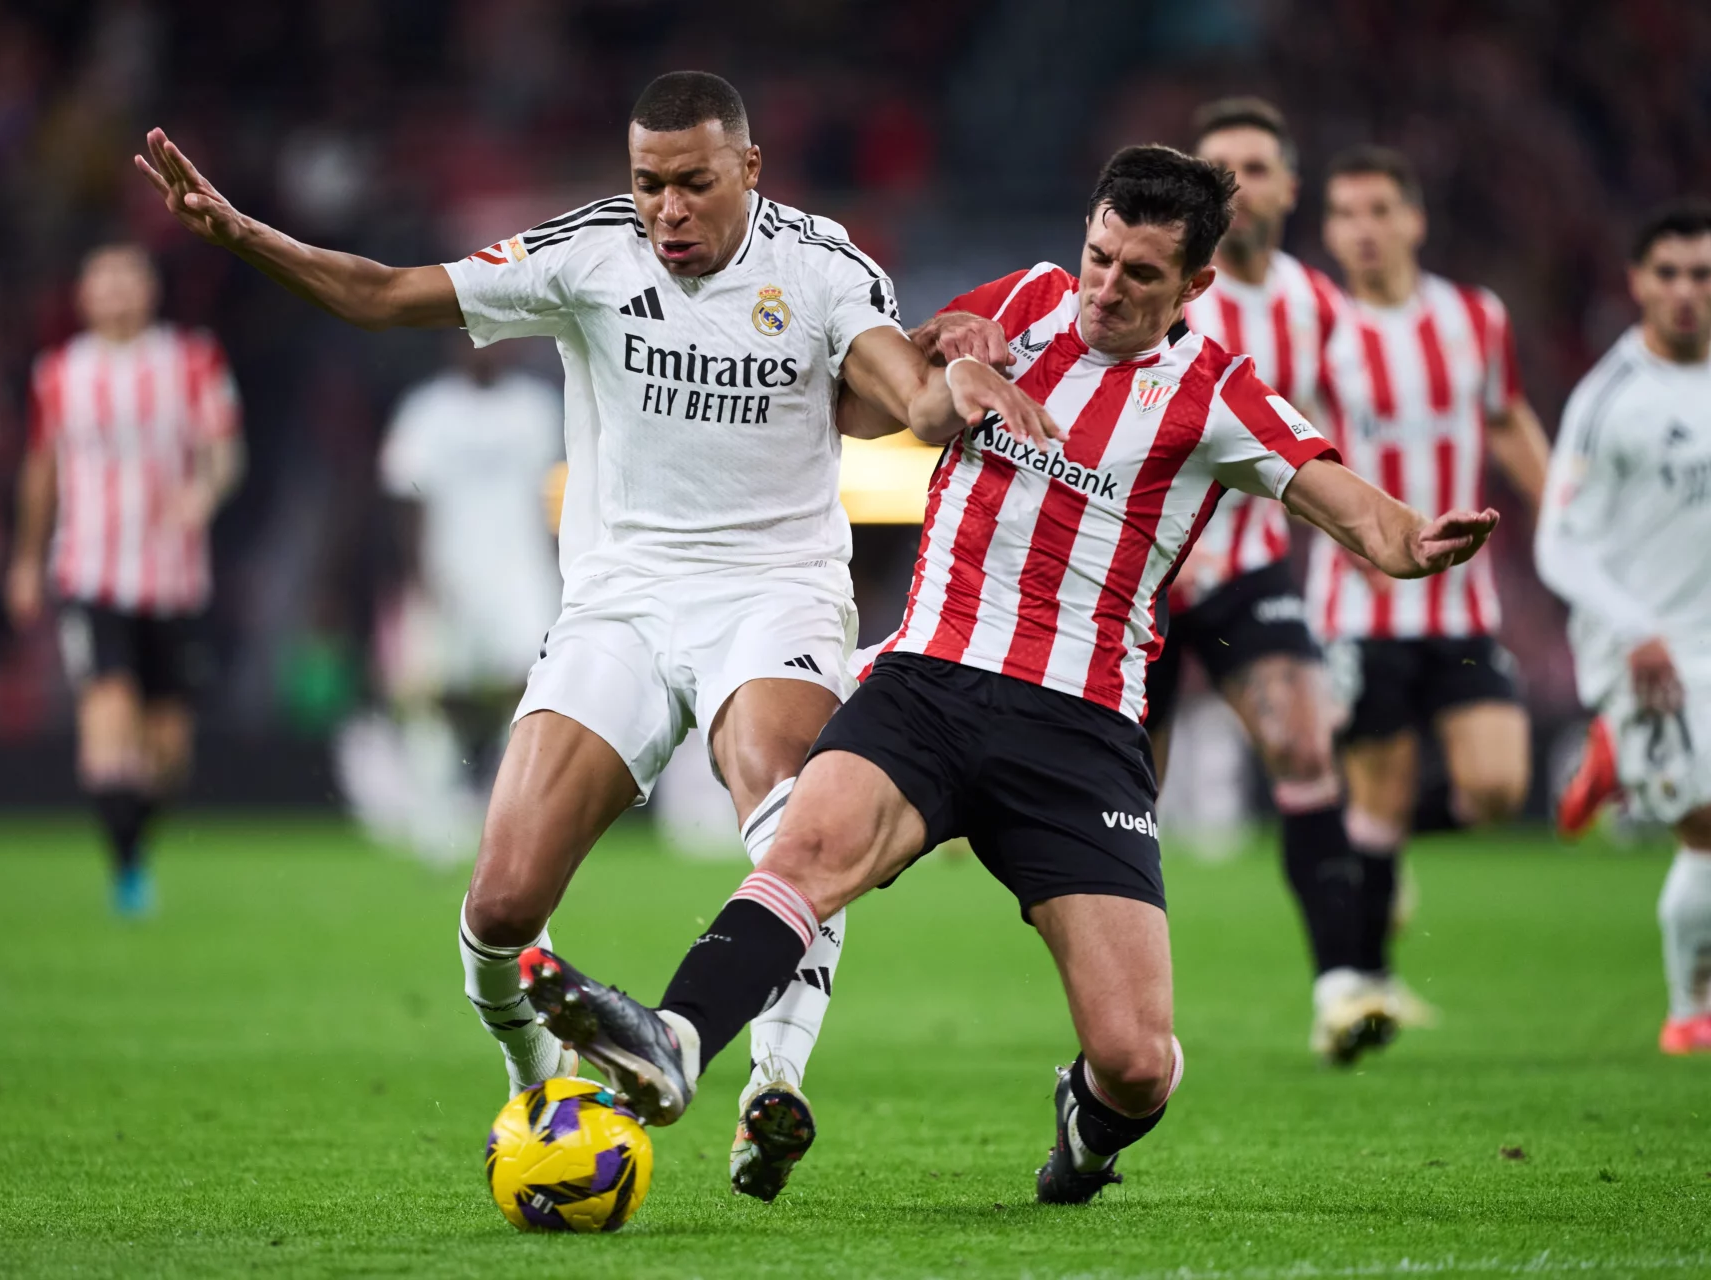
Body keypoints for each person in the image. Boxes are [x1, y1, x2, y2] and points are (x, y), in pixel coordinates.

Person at [516, 144, 1501, 1205]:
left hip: (1078, 735)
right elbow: (883, 379)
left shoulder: (1218, 392)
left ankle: (1088, 1121)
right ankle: (673, 1039)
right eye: (1100, 256)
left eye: (1140, 276)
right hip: (929, 681)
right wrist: (951, 345)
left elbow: (1348, 503)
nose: (1106, 290)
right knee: (805, 844)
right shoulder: (1030, 297)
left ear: (1196, 287)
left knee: (1135, 1058)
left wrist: (1411, 538)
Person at [135, 70, 1051, 1199]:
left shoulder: (819, 266)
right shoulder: (588, 254)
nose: (666, 209)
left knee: (787, 813)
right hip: (617, 602)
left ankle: (776, 1076)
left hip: (773, 595)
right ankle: (542, 1085)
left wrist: (956, 375)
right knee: (501, 903)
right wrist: (240, 234)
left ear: (749, 173)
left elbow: (903, 400)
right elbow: (380, 293)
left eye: (694, 184)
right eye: (648, 183)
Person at [1140, 98, 1378, 1062]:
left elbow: (1319, 439)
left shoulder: (1316, 303)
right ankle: (1127, 1018)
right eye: (1220, 167)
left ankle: (1342, 985)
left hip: (1247, 570)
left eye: (1256, 167)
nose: (1239, 184)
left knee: (1306, 749)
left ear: (1287, 187)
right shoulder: (1167, 290)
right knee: (1118, 798)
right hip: (1142, 579)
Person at [1309, 145, 1549, 1022]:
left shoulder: (1475, 318)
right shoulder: (1321, 327)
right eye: (1345, 215)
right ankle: (1364, 983)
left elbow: (1508, 417)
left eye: (1379, 211)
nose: (1363, 231)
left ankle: (1388, 860)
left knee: (1497, 787)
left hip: (1464, 601)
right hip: (1360, 601)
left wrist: (1556, 501)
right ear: (1329, 229)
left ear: (1414, 218)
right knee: (1377, 790)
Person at [6, 244, 244, 916]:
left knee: (168, 751)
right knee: (107, 714)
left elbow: (225, 451)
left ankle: (133, 845)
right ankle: (127, 873)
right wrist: (25, 560)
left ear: (150, 288)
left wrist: (203, 490)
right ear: (82, 294)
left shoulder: (194, 360)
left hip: (173, 579)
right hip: (90, 572)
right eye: (101, 277)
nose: (114, 290)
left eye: (127, 276)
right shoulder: (57, 374)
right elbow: (41, 470)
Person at [1535, 201, 1711, 1055]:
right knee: (1707, 832)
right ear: (1639, 282)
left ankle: (1614, 754)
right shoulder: (1611, 398)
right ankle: (1688, 1015)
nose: (1684, 291)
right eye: (1668, 274)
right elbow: (1557, 544)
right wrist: (1635, 627)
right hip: (1654, 653)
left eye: (1701, 275)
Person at [354, 341, 564, 858]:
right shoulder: (427, 410)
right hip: (449, 575)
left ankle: (507, 805)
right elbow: (404, 497)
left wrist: (564, 565)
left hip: (522, 576)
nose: (484, 345)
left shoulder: (538, 408)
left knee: (532, 691)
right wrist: (419, 574)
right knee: (431, 694)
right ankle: (438, 818)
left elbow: (558, 493)